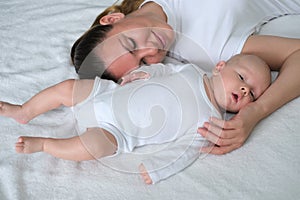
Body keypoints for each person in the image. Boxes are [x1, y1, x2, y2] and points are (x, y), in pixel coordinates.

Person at [71, 0, 300, 154]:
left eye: (131, 44)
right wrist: (255, 112)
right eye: (142, 63)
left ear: (112, 20)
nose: (151, 51)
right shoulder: (210, 49)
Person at [0, 54, 271, 184]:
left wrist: (157, 167)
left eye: (254, 93)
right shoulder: (191, 71)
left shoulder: (211, 118)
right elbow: (163, 69)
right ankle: (25, 110)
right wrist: (147, 74)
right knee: (67, 88)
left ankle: (46, 145)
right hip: (107, 94)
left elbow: (186, 151)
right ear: (220, 67)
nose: (246, 89)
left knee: (89, 148)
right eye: (242, 77)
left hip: (116, 131)